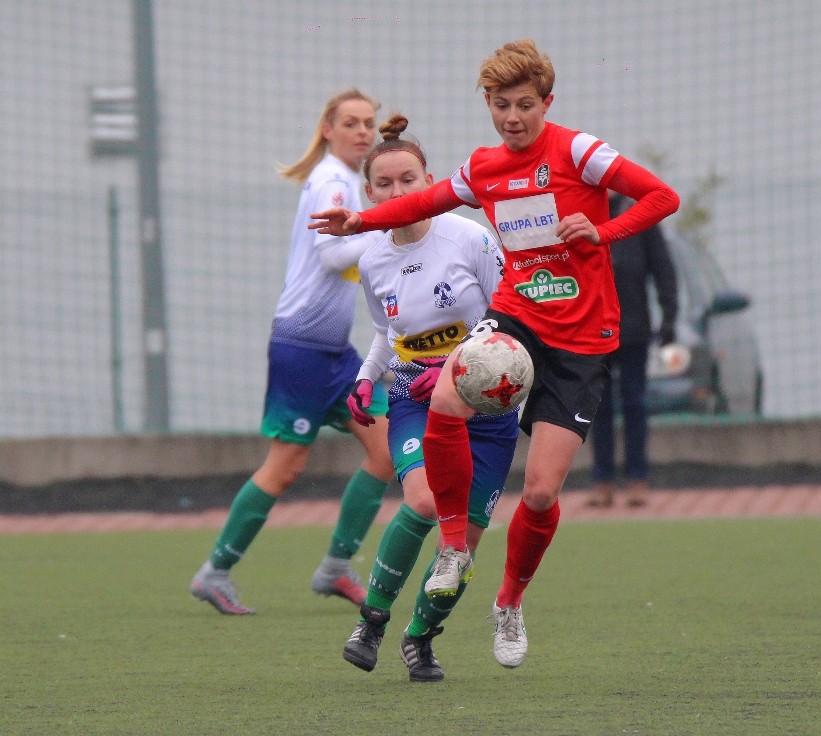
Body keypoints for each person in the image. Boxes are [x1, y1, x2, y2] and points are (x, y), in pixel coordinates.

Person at [309, 39, 679, 667]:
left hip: (582, 341)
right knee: (446, 395)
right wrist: (360, 223)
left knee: (539, 493)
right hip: (516, 315)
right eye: (501, 105)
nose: (513, 117)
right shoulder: (483, 168)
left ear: (546, 103)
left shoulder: (579, 152)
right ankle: (453, 546)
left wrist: (602, 231)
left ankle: (508, 603)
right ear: (488, 104)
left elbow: (662, 197)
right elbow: (424, 202)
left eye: (525, 105)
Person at [190, 88, 395, 615]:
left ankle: (336, 567)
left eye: (368, 123)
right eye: (351, 123)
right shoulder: (332, 180)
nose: (363, 132)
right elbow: (332, 257)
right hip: (301, 346)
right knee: (285, 466)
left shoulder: (348, 181)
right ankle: (215, 572)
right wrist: (387, 228)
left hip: (334, 353)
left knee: (386, 451)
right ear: (328, 129)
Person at [339, 113, 518, 681]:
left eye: (408, 180)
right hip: (414, 400)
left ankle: (420, 638)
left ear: (430, 182)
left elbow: (510, 316)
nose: (398, 191)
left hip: (487, 407)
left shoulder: (470, 238)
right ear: (370, 195)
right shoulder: (372, 259)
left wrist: (452, 367)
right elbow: (386, 333)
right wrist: (367, 376)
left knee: (462, 543)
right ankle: (371, 620)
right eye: (385, 184)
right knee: (422, 502)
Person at [587, 193, 678, 508]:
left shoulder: (640, 216)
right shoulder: (582, 212)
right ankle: (602, 480)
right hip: (594, 330)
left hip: (634, 329)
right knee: (597, 407)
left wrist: (669, 316)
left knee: (635, 403)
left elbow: (663, 269)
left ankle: (638, 478)